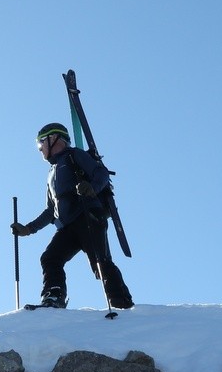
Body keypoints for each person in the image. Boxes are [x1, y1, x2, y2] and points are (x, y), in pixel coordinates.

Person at [11, 122, 133, 310]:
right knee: (50, 258)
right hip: (67, 226)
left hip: (88, 215)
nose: (40, 149)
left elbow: (101, 173)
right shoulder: (52, 173)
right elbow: (51, 210)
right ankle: (53, 297)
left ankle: (121, 304)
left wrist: (91, 188)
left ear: (54, 139)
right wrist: (28, 229)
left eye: (40, 143)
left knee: (100, 262)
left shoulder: (74, 155)